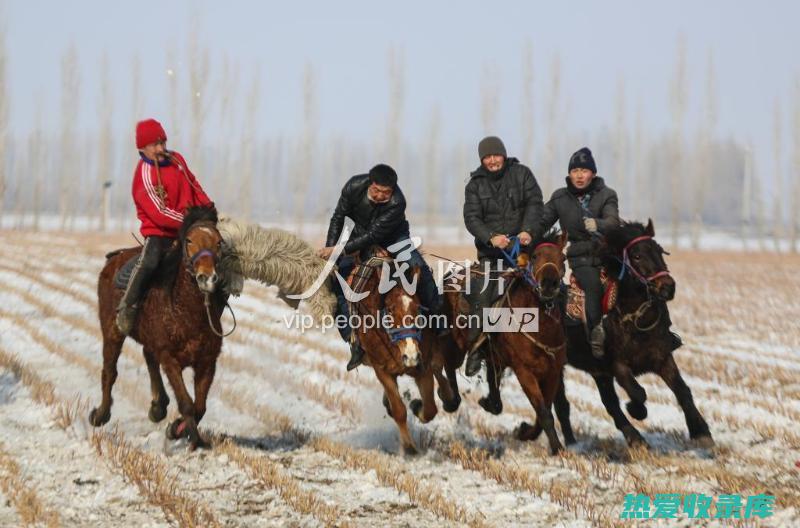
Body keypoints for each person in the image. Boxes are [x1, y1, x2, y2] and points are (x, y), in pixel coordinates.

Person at [319, 164, 442, 370]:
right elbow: (338, 217)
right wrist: (332, 250)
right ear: (369, 182)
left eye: (385, 193)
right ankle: (354, 340)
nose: (379, 196)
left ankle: (437, 320)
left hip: (394, 237)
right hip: (357, 236)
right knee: (337, 284)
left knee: (419, 267)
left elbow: (374, 235)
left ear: (392, 190)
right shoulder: (353, 186)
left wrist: (339, 250)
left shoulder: (397, 203)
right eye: (376, 190)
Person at [116, 118, 214, 335]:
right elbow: (160, 214)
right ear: (142, 148)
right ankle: (128, 305)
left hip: (190, 226)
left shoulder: (177, 159)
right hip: (161, 233)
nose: (161, 149)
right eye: (155, 145)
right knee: (149, 261)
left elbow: (193, 183)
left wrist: (207, 207)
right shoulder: (143, 176)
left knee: (214, 250)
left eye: (163, 142)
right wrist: (189, 220)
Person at [462, 136, 544, 376]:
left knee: (550, 289)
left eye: (496, 155)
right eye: (487, 157)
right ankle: (476, 349)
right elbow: (472, 218)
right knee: (483, 295)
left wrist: (528, 230)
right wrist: (491, 237)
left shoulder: (522, 174)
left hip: (525, 252)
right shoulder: (474, 185)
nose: (492, 160)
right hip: (492, 254)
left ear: (504, 155)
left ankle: (560, 342)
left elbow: (535, 204)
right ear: (482, 160)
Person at [539, 147, 619, 358]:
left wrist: (598, 224)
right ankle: (596, 334)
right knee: (593, 285)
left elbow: (613, 222)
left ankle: (661, 331)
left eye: (584, 170)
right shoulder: (560, 198)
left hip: (607, 254)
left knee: (637, 280)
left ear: (593, 173)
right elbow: (542, 222)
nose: (579, 175)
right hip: (581, 258)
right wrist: (524, 232)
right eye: (575, 171)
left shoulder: (607, 195)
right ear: (569, 174)